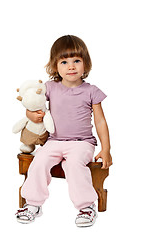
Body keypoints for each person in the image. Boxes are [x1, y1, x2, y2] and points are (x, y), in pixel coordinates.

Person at [15, 35, 112, 227]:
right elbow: (33, 105)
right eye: (64, 61)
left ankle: (86, 206)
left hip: (81, 142)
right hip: (54, 141)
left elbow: (100, 121)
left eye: (77, 60)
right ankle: (33, 203)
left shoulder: (91, 91)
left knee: (75, 164)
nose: (71, 66)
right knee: (39, 161)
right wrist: (31, 114)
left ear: (86, 63)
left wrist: (106, 149)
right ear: (55, 66)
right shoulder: (50, 88)